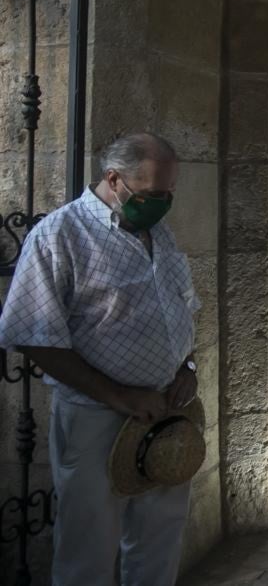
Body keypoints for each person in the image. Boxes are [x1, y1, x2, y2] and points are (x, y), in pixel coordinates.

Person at [0, 133, 200, 585]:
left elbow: (181, 308)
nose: (163, 203)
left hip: (165, 412)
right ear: (114, 179)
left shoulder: (159, 233)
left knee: (159, 539)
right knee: (88, 547)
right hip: (97, 417)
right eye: (152, 194)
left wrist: (187, 367)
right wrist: (120, 395)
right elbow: (33, 336)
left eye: (169, 193)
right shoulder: (60, 236)